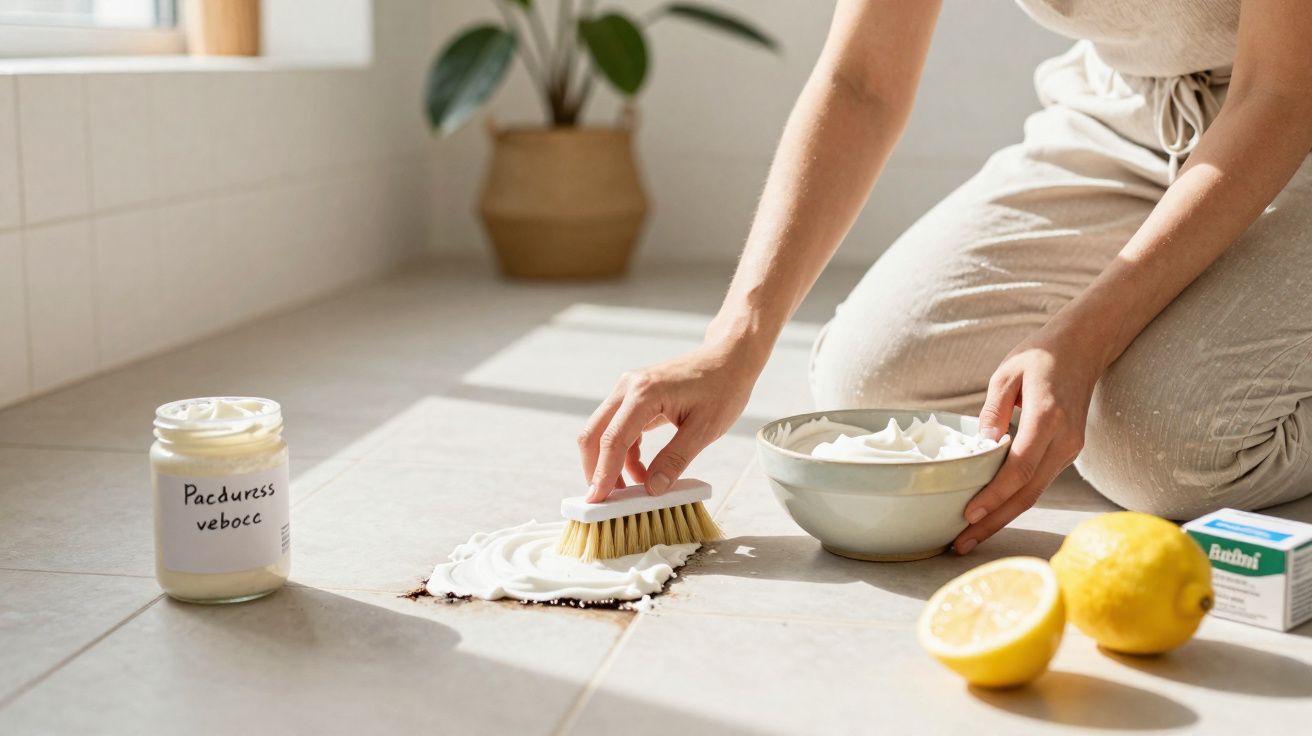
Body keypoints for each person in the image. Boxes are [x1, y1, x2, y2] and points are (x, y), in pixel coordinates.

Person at [576, 0, 1312, 554]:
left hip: (1291, 109)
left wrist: (1086, 333)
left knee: (1154, 449)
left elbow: (1280, 94)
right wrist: (737, 337)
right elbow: (862, 80)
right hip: (1129, 111)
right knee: (870, 385)